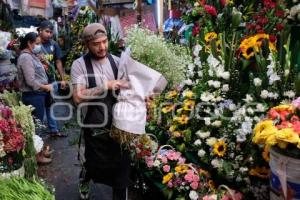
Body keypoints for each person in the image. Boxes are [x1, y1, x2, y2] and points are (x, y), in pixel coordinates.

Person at [71, 23, 131, 200]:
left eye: (104, 41)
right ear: (87, 45)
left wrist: (141, 96)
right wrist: (106, 85)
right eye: (96, 44)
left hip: (119, 127)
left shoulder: (118, 61)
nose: (102, 47)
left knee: (122, 172)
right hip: (95, 128)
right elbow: (78, 97)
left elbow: (128, 88)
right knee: (93, 165)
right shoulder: (79, 65)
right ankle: (85, 178)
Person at [16, 32, 54, 164]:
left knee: (38, 124)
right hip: (33, 95)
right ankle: (37, 156)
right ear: (29, 43)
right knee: (35, 127)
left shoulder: (31, 56)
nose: (39, 46)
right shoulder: (25, 58)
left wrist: (41, 61)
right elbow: (31, 82)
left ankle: (40, 150)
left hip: (37, 95)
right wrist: (45, 87)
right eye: (37, 44)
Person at [38, 20, 67, 137]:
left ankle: (53, 129)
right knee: (39, 107)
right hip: (37, 82)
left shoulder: (54, 44)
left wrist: (63, 78)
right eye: (47, 31)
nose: (49, 34)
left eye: (51, 32)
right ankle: (37, 134)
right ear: (40, 30)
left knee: (50, 105)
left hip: (51, 81)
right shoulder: (34, 44)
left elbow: (58, 61)